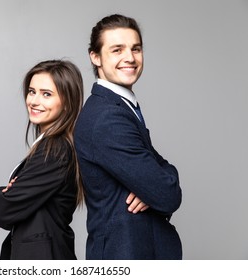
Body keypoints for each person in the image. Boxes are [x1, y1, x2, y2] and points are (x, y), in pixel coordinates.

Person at [74, 14, 182, 259]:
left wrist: (154, 185)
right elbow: (168, 193)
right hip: (125, 256)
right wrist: (156, 187)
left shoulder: (120, 108)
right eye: (117, 49)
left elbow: (163, 180)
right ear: (95, 57)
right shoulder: (107, 117)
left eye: (136, 49)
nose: (130, 58)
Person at [0, 59, 84, 260]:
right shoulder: (49, 145)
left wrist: (0, 195)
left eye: (46, 94)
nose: (34, 101)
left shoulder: (55, 150)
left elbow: (1, 211)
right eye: (32, 91)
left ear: (67, 103)